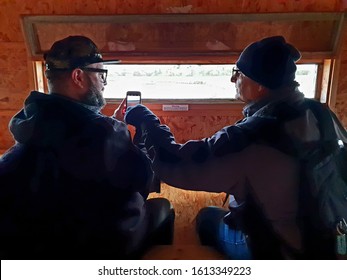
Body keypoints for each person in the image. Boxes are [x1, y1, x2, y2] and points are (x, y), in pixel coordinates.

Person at [122, 36, 338, 259]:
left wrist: (146, 119)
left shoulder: (250, 137)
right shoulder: (322, 114)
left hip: (278, 251)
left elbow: (177, 166)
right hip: (327, 242)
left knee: (206, 218)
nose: (233, 79)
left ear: (260, 85)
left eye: (238, 72)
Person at [0, 35, 174, 260]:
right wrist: (134, 138)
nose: (103, 82)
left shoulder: (30, 124)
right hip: (95, 245)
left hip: (36, 244)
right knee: (162, 207)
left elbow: (72, 136)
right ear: (78, 76)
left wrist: (112, 126)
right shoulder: (105, 134)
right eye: (101, 74)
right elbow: (143, 181)